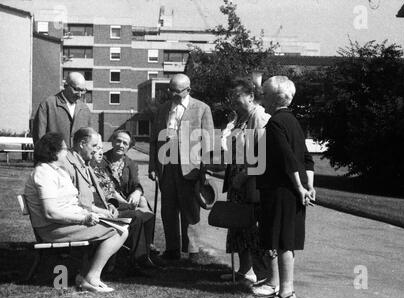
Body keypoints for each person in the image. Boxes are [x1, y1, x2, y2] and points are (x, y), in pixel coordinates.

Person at [24, 132, 128, 293]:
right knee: (119, 231)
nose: (67, 153)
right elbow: (50, 213)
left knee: (120, 226)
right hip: (53, 228)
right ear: (54, 151)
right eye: (64, 149)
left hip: (65, 223)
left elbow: (73, 203)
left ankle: (85, 275)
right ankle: (91, 277)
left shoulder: (58, 171)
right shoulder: (43, 173)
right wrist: (83, 219)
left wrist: (95, 214)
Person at [256, 76, 315, 298]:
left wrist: (300, 187)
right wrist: (309, 186)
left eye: (265, 95)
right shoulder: (293, 121)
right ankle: (285, 289)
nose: (262, 99)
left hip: (281, 189)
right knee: (287, 241)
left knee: (281, 241)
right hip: (293, 190)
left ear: (275, 97)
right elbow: (307, 159)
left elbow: (287, 158)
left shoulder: (275, 123)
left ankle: (286, 291)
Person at [59, 127, 148, 275]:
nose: (97, 151)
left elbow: (107, 191)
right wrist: (106, 209)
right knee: (136, 217)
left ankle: (139, 258)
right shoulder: (85, 164)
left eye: (99, 148)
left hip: (104, 208)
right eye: (95, 147)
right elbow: (84, 199)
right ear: (82, 144)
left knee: (142, 213)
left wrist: (112, 205)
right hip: (89, 215)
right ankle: (133, 262)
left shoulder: (127, 163)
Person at [148, 73, 214, 261]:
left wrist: (205, 169)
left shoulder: (202, 109)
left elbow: (207, 142)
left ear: (188, 90)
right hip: (166, 164)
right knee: (168, 209)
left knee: (190, 210)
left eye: (177, 92)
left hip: (190, 167)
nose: (173, 95)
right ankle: (172, 249)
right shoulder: (162, 109)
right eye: (171, 90)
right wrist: (153, 166)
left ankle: (192, 251)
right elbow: (153, 140)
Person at [216, 78, 270, 284]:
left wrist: (245, 175)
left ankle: (261, 274)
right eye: (232, 97)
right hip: (236, 179)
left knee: (250, 225)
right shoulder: (239, 118)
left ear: (250, 96)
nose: (233, 101)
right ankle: (244, 271)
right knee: (237, 225)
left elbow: (262, 153)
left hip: (249, 180)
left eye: (237, 96)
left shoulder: (259, 117)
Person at [92, 130, 157, 268]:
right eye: (118, 141)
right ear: (112, 141)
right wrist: (129, 204)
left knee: (147, 209)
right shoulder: (100, 160)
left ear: (129, 147)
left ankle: (147, 249)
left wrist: (137, 193)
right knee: (139, 214)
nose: (121, 145)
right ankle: (140, 257)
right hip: (110, 202)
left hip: (125, 200)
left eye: (125, 143)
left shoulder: (130, 163)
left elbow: (136, 185)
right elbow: (109, 191)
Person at [32, 72, 93, 147]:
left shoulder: (85, 109)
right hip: (53, 157)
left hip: (76, 158)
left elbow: (89, 139)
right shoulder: (47, 105)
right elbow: (39, 138)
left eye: (83, 90)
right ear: (66, 85)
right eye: (77, 89)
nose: (80, 95)